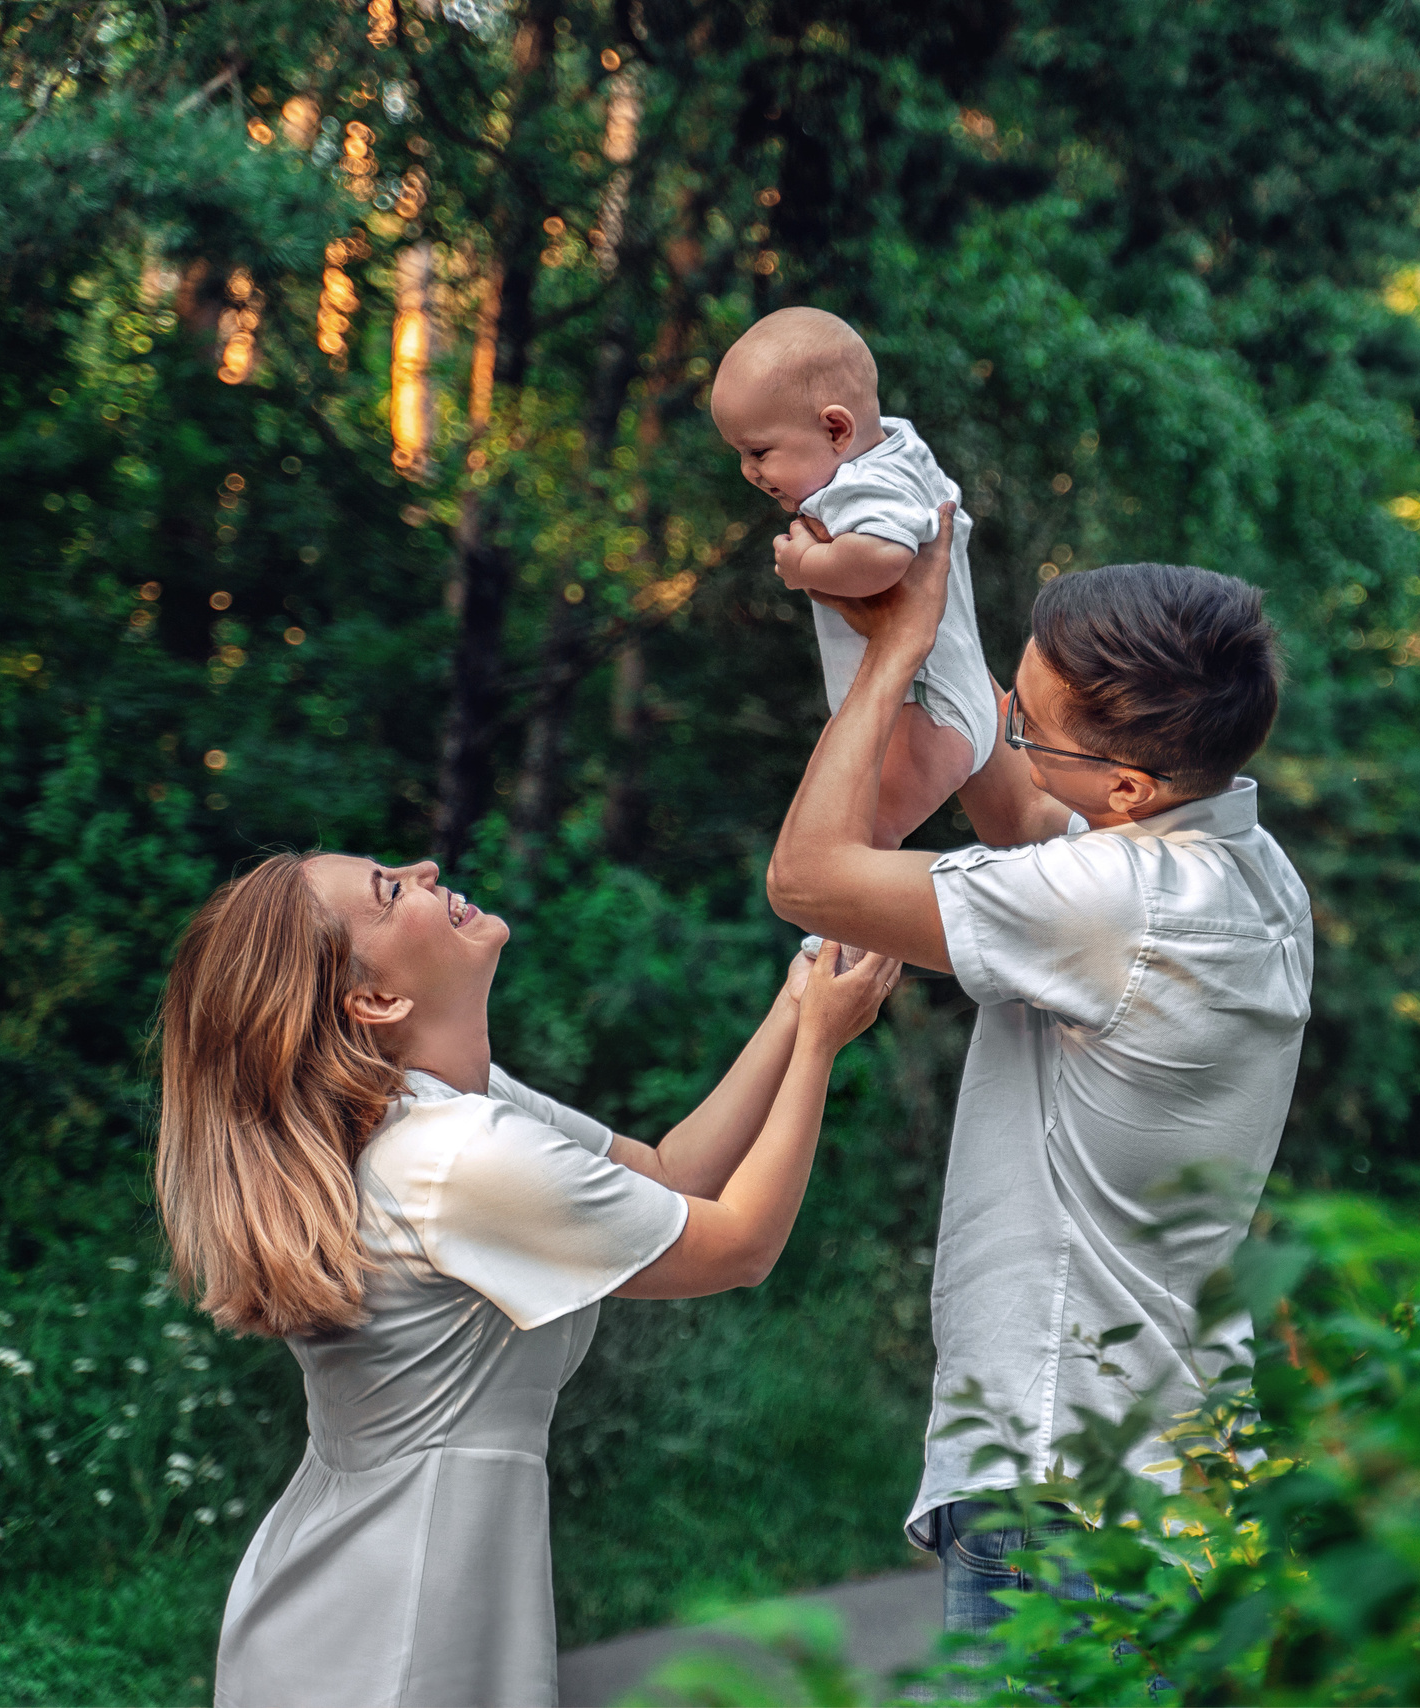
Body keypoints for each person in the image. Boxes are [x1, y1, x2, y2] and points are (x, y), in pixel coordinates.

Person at [152, 852, 897, 1708]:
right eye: (390, 890)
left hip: (352, 1590)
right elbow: (739, 1247)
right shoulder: (457, 1158)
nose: (424, 866)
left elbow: (669, 1174)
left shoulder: (442, 1112)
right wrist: (820, 1045)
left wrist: (798, 1004)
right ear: (376, 1001)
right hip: (393, 1622)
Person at [765, 505, 1311, 1633]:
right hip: (1172, 1472)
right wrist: (935, 565)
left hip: (1062, 1486)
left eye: (1027, 721)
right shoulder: (1245, 868)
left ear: (1128, 789)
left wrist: (894, 658)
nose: (1004, 728)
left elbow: (808, 878)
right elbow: (1021, 809)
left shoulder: (1120, 904)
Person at [711, 306, 1000, 849]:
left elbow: (884, 555)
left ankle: (873, 916)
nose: (749, 472)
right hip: (951, 698)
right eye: (741, 455)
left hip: (925, 707)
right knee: (848, 836)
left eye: (759, 451)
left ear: (836, 429)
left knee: (849, 845)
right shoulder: (898, 449)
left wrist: (804, 566)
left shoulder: (863, 486)